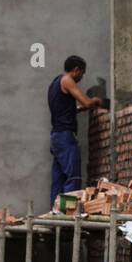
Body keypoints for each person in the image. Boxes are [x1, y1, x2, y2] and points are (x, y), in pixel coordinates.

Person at [48, 56, 103, 207]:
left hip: (56, 137)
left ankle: (55, 212)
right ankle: (67, 214)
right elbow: (85, 101)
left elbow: (67, 110)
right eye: (82, 74)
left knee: (58, 178)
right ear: (76, 70)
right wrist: (96, 101)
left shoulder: (54, 83)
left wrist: (80, 109)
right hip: (66, 137)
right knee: (73, 177)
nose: (81, 78)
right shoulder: (67, 80)